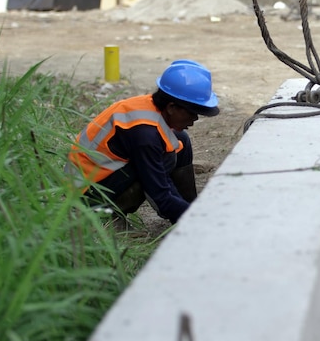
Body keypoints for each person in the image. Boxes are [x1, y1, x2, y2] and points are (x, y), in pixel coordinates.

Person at [67, 60, 219, 224]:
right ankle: (107, 216)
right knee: (164, 157)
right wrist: (198, 222)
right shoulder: (145, 136)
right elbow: (161, 194)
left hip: (105, 177)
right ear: (171, 107)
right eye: (192, 112)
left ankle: (188, 207)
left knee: (180, 140)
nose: (195, 118)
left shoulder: (152, 108)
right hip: (89, 195)